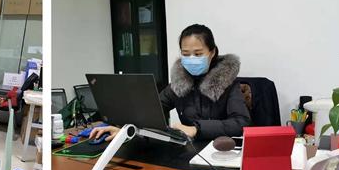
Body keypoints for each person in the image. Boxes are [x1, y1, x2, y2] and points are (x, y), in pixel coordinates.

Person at [90, 23, 251, 143]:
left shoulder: (228, 83)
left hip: (222, 151)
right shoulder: (179, 83)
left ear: (212, 52)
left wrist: (197, 129)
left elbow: (241, 123)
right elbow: (151, 111)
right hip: (188, 152)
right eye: (186, 54)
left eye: (198, 54)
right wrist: (124, 129)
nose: (191, 59)